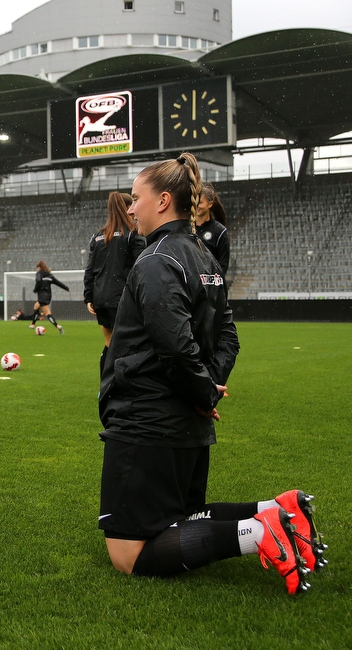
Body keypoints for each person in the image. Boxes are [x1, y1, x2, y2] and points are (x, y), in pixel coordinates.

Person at [98, 152, 325, 594]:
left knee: (128, 555)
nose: (130, 208)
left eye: (136, 198)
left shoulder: (157, 260)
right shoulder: (206, 258)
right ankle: (277, 511)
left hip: (148, 422)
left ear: (163, 200)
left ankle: (264, 533)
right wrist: (207, 395)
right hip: (184, 422)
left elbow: (176, 348)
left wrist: (203, 396)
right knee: (177, 522)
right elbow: (228, 340)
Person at [83, 192, 145, 352]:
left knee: (109, 342)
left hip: (101, 298)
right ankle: (121, 376)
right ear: (126, 208)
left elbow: (90, 270)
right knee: (127, 344)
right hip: (123, 298)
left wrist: (89, 297)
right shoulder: (132, 234)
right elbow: (140, 268)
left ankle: (107, 376)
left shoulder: (97, 237)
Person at [194, 182, 230, 276]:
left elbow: (223, 265)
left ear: (210, 204)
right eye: (195, 201)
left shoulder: (220, 231)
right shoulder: (186, 228)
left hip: (210, 286)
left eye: (200, 202)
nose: (197, 205)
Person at [29, 261, 69, 334]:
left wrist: (35, 289)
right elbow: (58, 283)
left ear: (39, 267)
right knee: (36, 306)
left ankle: (57, 326)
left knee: (47, 313)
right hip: (48, 296)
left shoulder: (39, 273)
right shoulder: (49, 275)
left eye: (37, 268)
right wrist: (66, 288)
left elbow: (38, 281)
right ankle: (32, 324)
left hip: (41, 296)